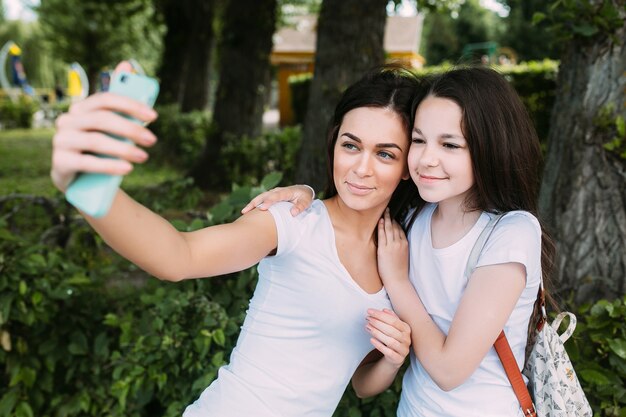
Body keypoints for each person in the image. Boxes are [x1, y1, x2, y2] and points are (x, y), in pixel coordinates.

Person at [50, 62, 418, 416]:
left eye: (385, 154)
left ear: (408, 167)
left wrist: (392, 359)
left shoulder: (398, 254)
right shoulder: (293, 221)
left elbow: (360, 382)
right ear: (334, 142)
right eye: (351, 146)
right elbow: (179, 256)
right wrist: (81, 185)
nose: (361, 167)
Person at [243, 66, 556, 417]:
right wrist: (304, 194)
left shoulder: (511, 232)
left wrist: (398, 281)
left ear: (490, 147)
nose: (427, 158)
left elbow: (449, 370)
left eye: (450, 144)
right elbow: (355, 200)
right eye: (419, 140)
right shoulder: (411, 218)